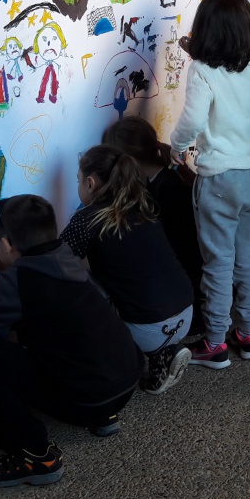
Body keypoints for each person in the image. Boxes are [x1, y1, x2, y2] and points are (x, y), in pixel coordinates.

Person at [0, 195, 143, 487]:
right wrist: (3, 265)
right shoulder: (66, 257)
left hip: (86, 400)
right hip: (123, 384)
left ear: (6, 245)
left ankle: (35, 456)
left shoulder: (16, 281)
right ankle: (104, 417)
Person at [169, 0, 250, 367]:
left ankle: (215, 342)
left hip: (219, 182)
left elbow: (193, 120)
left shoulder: (202, 70)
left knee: (218, 263)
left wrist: (178, 146)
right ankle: (249, 334)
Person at [61, 146, 196, 393]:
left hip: (149, 326)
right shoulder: (143, 208)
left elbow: (54, 262)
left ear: (90, 184)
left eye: (78, 181)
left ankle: (121, 359)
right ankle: (163, 353)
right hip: (185, 312)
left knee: (78, 281)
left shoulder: (86, 220)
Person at [101, 115, 204, 317]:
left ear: (129, 161)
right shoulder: (158, 180)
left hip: (188, 288)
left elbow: (182, 247)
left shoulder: (166, 187)